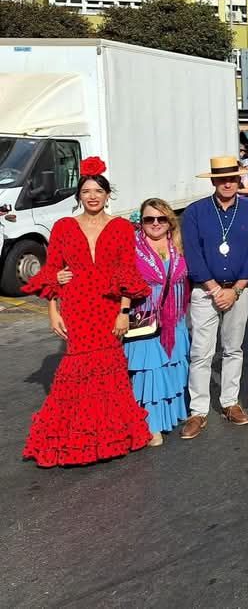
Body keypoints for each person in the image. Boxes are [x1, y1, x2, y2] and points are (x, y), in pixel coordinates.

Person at [22, 157, 151, 466]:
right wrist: (53, 310)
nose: (92, 196)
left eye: (98, 191)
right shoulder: (64, 227)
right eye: (87, 191)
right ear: (79, 195)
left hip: (108, 307)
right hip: (77, 306)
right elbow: (53, 268)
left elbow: (126, 271)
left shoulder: (121, 227)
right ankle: (73, 439)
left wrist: (124, 311)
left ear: (108, 195)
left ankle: (110, 437)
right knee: (75, 369)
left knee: (109, 367)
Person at [179, 156, 248, 439]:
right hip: (205, 290)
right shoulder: (195, 212)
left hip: (239, 291)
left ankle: (230, 402)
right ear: (214, 181)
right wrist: (216, 290)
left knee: (233, 348)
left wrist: (236, 290)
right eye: (222, 178)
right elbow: (193, 254)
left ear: (239, 180)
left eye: (233, 178)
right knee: (201, 352)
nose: (228, 183)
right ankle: (198, 410)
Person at [126, 198, 192, 446]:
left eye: (161, 218)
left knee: (173, 367)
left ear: (169, 221)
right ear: (141, 222)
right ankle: (150, 425)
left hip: (175, 320)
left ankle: (172, 416)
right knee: (150, 371)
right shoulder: (132, 246)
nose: (155, 223)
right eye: (149, 219)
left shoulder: (179, 246)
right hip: (145, 321)